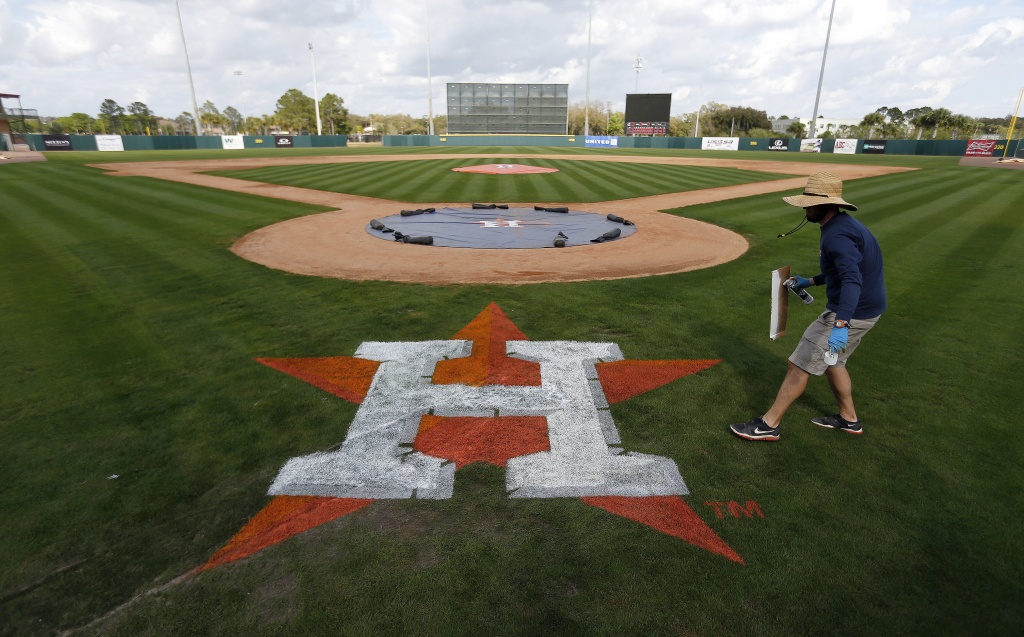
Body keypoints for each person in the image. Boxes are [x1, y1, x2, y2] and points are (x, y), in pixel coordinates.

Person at [731, 172, 886, 441]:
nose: (804, 208)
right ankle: (849, 419)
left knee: (800, 363)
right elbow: (844, 270)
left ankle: (768, 425)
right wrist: (812, 281)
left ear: (823, 205)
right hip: (867, 309)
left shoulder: (837, 235)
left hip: (853, 312)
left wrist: (841, 324)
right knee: (834, 361)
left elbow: (852, 280)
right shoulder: (844, 226)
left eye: (808, 203)